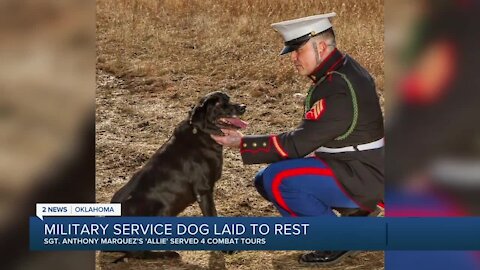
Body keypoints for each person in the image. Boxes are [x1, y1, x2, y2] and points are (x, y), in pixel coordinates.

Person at [212, 12, 384, 265]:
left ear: (322, 46)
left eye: (298, 50)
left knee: (279, 178)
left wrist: (242, 142)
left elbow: (297, 144)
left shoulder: (337, 86)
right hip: (358, 164)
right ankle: (356, 213)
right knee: (264, 179)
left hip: (362, 172)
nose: (293, 58)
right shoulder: (341, 70)